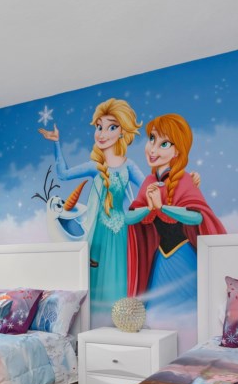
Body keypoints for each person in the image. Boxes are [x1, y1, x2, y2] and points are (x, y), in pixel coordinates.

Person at [39, 99, 145, 312]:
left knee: (118, 278)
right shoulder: (95, 166)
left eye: (111, 127)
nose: (102, 134)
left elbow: (148, 189)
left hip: (120, 232)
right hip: (96, 232)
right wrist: (56, 143)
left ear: (122, 132)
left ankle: (120, 322)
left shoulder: (129, 166)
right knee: (93, 280)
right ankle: (91, 327)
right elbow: (63, 174)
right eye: (99, 127)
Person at [125, 114, 225, 314]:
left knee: (191, 311)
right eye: (152, 139)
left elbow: (197, 216)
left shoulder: (184, 179)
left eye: (163, 144)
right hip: (161, 259)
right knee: (156, 314)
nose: (153, 149)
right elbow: (128, 218)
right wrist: (150, 208)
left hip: (183, 257)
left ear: (177, 150)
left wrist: (162, 207)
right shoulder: (149, 182)